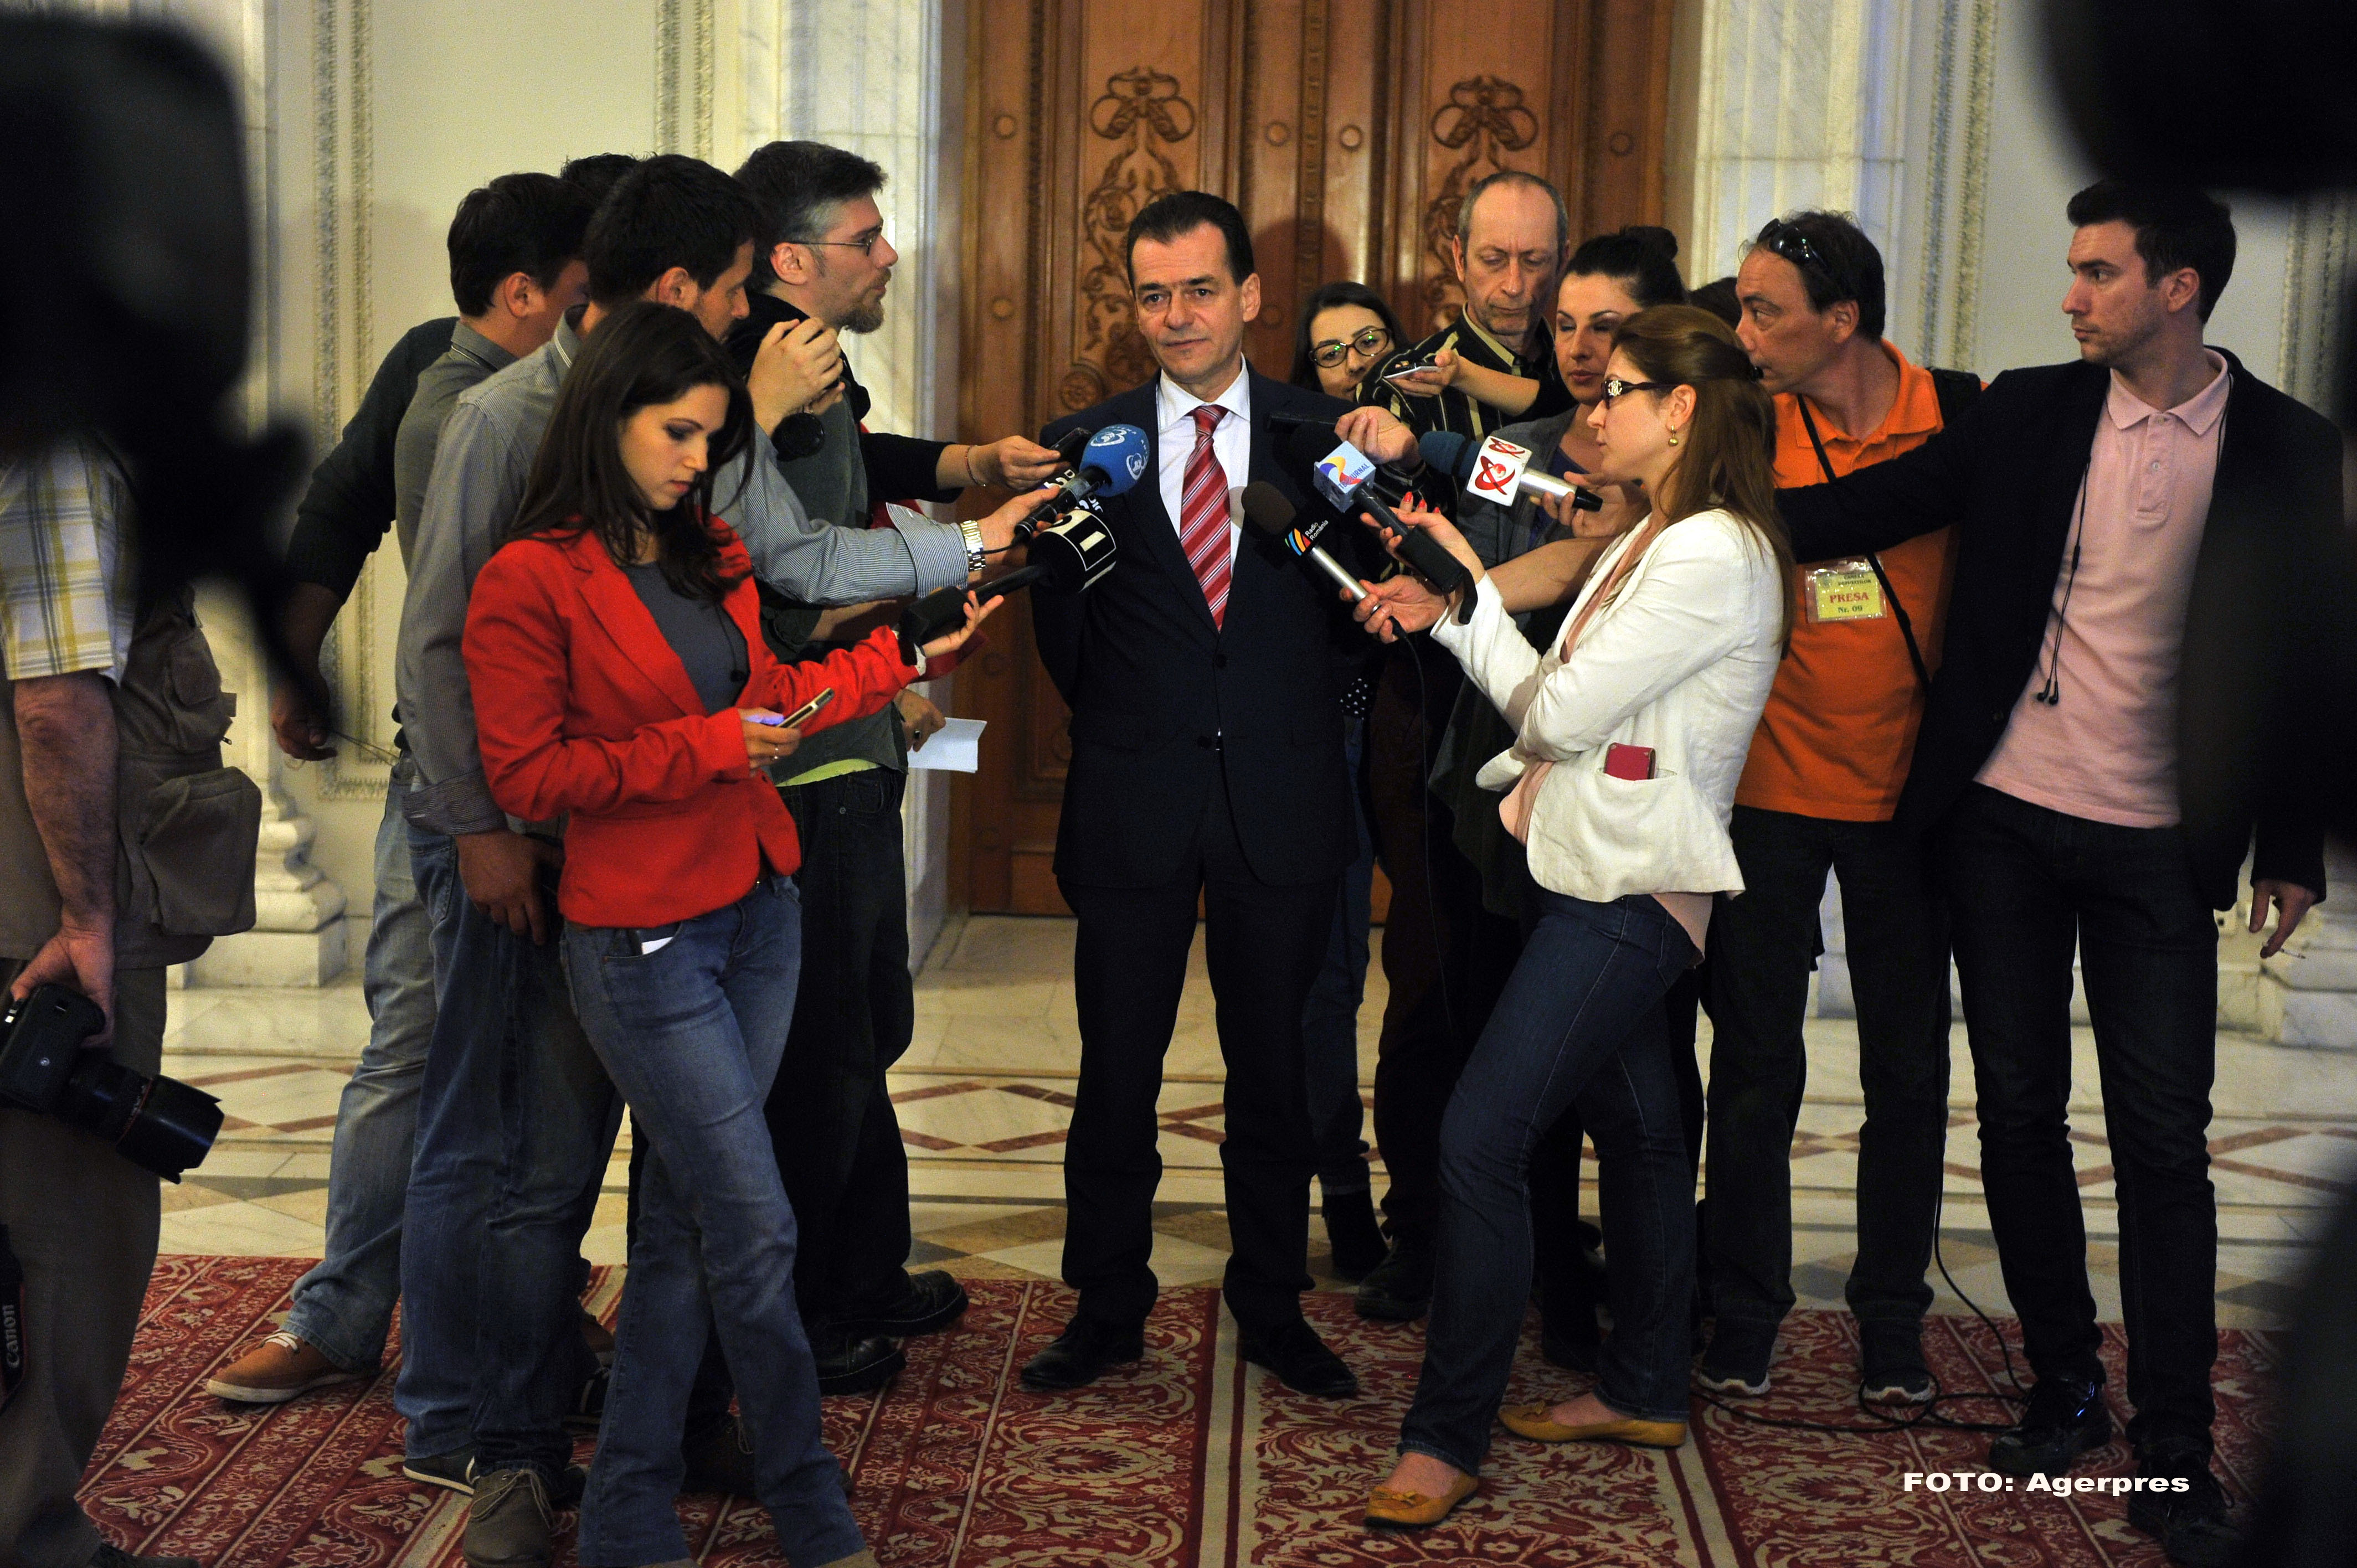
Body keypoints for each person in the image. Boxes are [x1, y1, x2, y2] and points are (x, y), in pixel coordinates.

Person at [394, 155, 1053, 1568]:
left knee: (694, 1205)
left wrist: (906, 652)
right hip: (582, 883)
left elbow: (780, 630)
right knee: (557, 1171)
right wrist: (486, 837)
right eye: (746, 291)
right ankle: (516, 1452)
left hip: (734, 891)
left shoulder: (697, 515)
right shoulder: (510, 440)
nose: (707, 449)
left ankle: (655, 1471)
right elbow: (449, 654)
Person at [1772, 181, 2340, 1568]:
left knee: (2163, 1145)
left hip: (2160, 841)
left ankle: (2174, 1446)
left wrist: (2290, 845)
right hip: (2005, 820)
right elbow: (1862, 509)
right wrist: (1683, 502)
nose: (2070, 294)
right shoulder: (2024, 408)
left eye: (2096, 273)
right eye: (2073, 270)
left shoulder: (2284, 446)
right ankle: (2060, 1383)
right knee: (2018, 1111)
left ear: (2179, 288)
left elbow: (2304, 659)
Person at [1352, 305, 1786, 1528]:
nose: (1593, 407)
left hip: (1629, 891)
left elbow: (1551, 716)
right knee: (1644, 1128)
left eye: (1621, 391)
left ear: (1682, 409)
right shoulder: (1665, 531)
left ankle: (1444, 1440)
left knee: (1479, 1140)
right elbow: (1551, 698)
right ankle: (1644, 1379)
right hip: (1598, 867)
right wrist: (1458, 595)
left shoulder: (1709, 551)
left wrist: (1461, 608)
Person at [210, 170, 600, 1407]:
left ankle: (518, 1305)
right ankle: (346, 1317)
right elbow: (342, 509)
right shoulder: (455, 385)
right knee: (422, 1054)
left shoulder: (578, 383)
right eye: (586, 292)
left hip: (530, 786)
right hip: (464, 788)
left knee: (508, 1068)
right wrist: (293, 663)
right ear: (533, 292)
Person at [1017, 191, 1398, 1399]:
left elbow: (1364, 612)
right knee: (1114, 1070)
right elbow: (1062, 631)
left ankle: (1274, 1302)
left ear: (1247, 297)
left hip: (1280, 801)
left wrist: (1277, 713)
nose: (1175, 317)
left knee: (1273, 1073)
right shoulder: (1090, 444)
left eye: (1197, 290)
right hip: (1134, 798)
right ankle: (1105, 1306)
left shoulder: (1318, 437)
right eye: (1151, 295)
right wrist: (1149, 721)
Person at [726, 141, 1062, 1390]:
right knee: (820, 1048)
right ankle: (806, 1315)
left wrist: (968, 466)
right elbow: (793, 559)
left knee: (865, 1022)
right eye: (866, 239)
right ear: (792, 259)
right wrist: (963, 550)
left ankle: (862, 1269)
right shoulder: (763, 369)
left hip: (851, 732)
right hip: (803, 756)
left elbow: (856, 473)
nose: (888, 254)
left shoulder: (809, 360)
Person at [1694, 210, 1983, 1406]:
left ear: (1842, 320)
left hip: (1907, 802)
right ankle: (1745, 1313)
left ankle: (1891, 1324)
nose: (1743, 328)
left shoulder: (1959, 414)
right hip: (1765, 787)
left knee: (1905, 1073)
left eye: (1763, 310)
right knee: (1756, 1067)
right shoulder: (1746, 424)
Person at [1429, 225, 1687, 1370]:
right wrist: (1451, 588)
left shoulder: (1692, 511)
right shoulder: (1518, 450)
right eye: (1566, 327)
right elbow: (1496, 592)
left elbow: (1566, 595)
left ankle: (1643, 1332)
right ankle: (1539, 1298)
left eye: (1608, 330)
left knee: (1635, 1102)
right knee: (1496, 1064)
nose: (1581, 351)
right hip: (1507, 794)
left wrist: (1465, 592)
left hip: (1632, 827)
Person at [3, 439, 259, 1568]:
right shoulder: (52, 439)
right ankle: (28, 1531)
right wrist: (90, 921)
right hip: (29, 886)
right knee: (60, 1212)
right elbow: (57, 701)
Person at [1345, 169, 1578, 1326]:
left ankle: (1537, 1225)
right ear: (1454, 257)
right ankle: (1419, 1228)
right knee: (1433, 971)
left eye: (1538, 262)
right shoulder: (1409, 386)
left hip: (1574, 710)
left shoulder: (1593, 384)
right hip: (1433, 702)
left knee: (1546, 977)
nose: (1517, 283)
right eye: (1496, 260)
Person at [1284, 278, 1413, 1281]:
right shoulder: (1296, 465)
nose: (1354, 364)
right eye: (1330, 353)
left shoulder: (1434, 451)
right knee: (1327, 983)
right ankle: (1340, 1191)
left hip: (1424, 748)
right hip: (1330, 739)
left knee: (1431, 976)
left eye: (1369, 343)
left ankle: (1433, 1191)